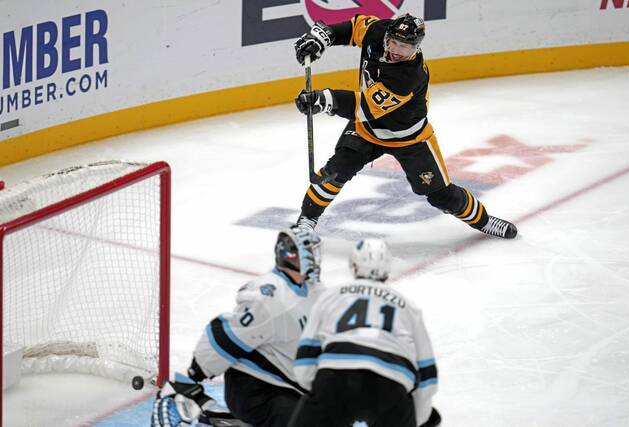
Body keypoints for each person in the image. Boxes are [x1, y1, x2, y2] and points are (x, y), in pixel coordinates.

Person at [293, 13, 517, 239]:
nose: (398, 51)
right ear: (387, 37)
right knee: (334, 173)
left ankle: (484, 221)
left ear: (417, 48)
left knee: (442, 196)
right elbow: (353, 28)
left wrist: (324, 99)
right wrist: (323, 37)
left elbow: (365, 107)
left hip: (410, 139)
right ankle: (307, 219)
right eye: (394, 43)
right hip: (366, 129)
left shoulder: (409, 75)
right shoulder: (377, 31)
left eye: (406, 47)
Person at [151, 226, 324, 427]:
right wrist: (192, 378)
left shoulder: (314, 290)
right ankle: (190, 408)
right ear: (294, 256)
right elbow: (225, 337)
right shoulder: (269, 298)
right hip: (255, 389)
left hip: (287, 385)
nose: (316, 258)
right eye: (312, 252)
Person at [288, 239, 441, 427]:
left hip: (335, 380)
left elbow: (304, 360)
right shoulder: (409, 307)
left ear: (353, 265)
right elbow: (428, 376)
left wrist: (320, 393)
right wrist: (413, 419)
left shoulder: (331, 296)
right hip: (391, 388)